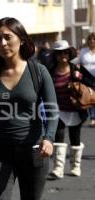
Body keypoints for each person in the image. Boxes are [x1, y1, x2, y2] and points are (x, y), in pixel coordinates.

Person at [0, 17, 59, 200]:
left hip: (33, 152)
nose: (2, 43)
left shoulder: (39, 72)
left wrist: (48, 138)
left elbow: (52, 110)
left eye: (7, 37)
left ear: (22, 39)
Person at [49, 40, 93, 179]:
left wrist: (81, 78)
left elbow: (92, 82)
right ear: (55, 55)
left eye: (66, 52)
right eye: (60, 53)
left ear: (69, 54)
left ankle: (75, 166)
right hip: (58, 111)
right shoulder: (50, 71)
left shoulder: (77, 68)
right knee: (59, 137)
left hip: (76, 110)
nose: (63, 55)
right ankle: (58, 168)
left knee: (75, 138)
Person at [78, 33, 95, 127]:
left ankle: (93, 118)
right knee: (89, 97)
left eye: (93, 40)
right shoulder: (83, 51)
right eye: (90, 40)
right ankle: (92, 118)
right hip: (86, 78)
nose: (92, 41)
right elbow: (78, 62)